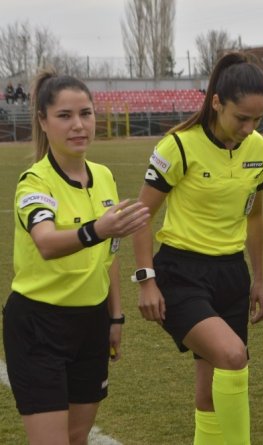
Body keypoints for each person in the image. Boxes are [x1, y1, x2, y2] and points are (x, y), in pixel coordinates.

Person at [2, 69, 149, 445]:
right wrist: (97, 229)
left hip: (91, 325)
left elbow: (109, 255)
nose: (78, 125)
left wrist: (115, 316)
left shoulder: (103, 176)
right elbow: (47, 242)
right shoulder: (34, 182)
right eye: (65, 116)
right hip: (38, 326)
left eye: (86, 113)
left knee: (77, 437)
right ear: (43, 122)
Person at [132, 52, 263, 445]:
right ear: (216, 103)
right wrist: (146, 280)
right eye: (241, 117)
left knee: (209, 392)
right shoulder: (178, 145)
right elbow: (141, 216)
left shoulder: (258, 148)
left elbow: (255, 217)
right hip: (180, 274)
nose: (249, 127)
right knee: (232, 356)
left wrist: (259, 279)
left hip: (231, 274)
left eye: (257, 119)